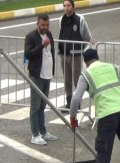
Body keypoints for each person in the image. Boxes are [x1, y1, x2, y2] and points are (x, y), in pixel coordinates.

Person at [24, 14, 58, 145]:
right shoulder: (31, 36)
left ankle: (43, 132)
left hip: (47, 75)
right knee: (35, 106)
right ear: (37, 23)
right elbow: (28, 54)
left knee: (42, 106)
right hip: (36, 76)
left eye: (47, 25)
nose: (45, 27)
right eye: (43, 25)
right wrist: (42, 45)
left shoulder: (49, 34)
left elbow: (51, 52)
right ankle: (35, 134)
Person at [58, 0, 93, 111]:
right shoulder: (61, 20)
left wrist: (84, 50)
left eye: (68, 5)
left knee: (77, 81)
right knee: (67, 80)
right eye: (64, 6)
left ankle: (76, 104)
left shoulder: (80, 20)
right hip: (64, 54)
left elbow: (87, 37)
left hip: (76, 55)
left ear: (73, 6)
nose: (66, 8)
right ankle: (69, 103)